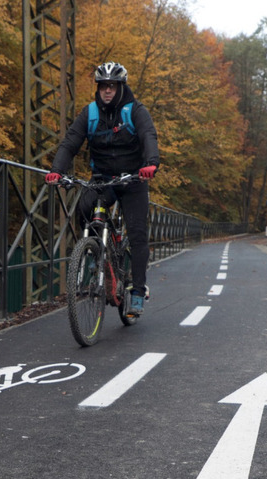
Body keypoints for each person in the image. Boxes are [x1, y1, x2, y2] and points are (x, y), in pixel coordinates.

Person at [46, 62, 160, 318]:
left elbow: (148, 136)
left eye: (112, 86)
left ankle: (138, 291)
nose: (107, 91)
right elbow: (70, 142)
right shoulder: (90, 113)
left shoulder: (136, 110)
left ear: (121, 87)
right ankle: (95, 254)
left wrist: (151, 163)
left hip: (133, 180)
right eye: (103, 86)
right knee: (84, 207)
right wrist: (57, 170)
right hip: (103, 178)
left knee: (138, 232)